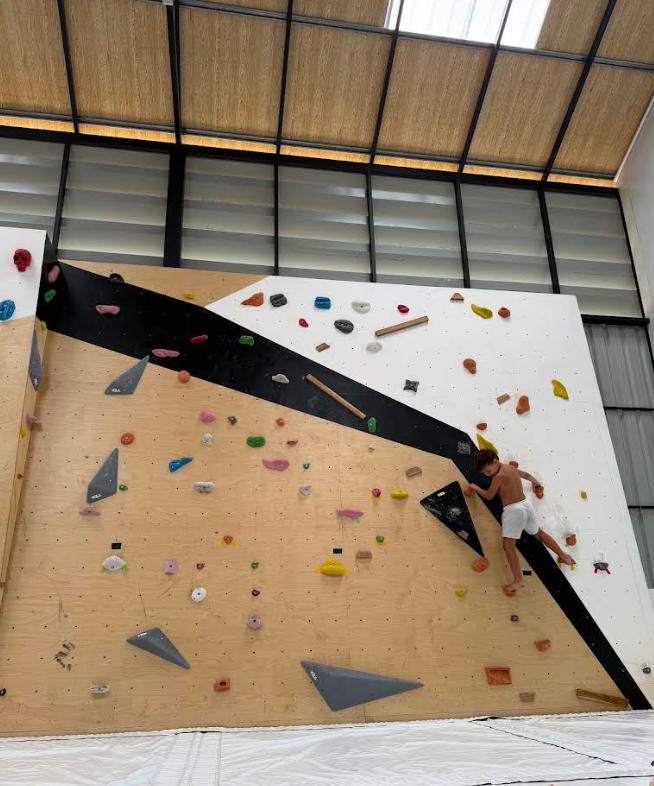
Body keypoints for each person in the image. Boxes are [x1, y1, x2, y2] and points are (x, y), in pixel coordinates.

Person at [466, 449, 574, 594]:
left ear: (495, 462)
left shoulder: (498, 477)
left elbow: (489, 495)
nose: (487, 474)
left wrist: (475, 487)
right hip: (525, 505)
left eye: (488, 471)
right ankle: (564, 556)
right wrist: (535, 482)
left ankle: (518, 579)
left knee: (508, 546)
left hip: (513, 511)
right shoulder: (510, 468)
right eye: (485, 473)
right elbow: (526, 475)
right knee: (539, 533)